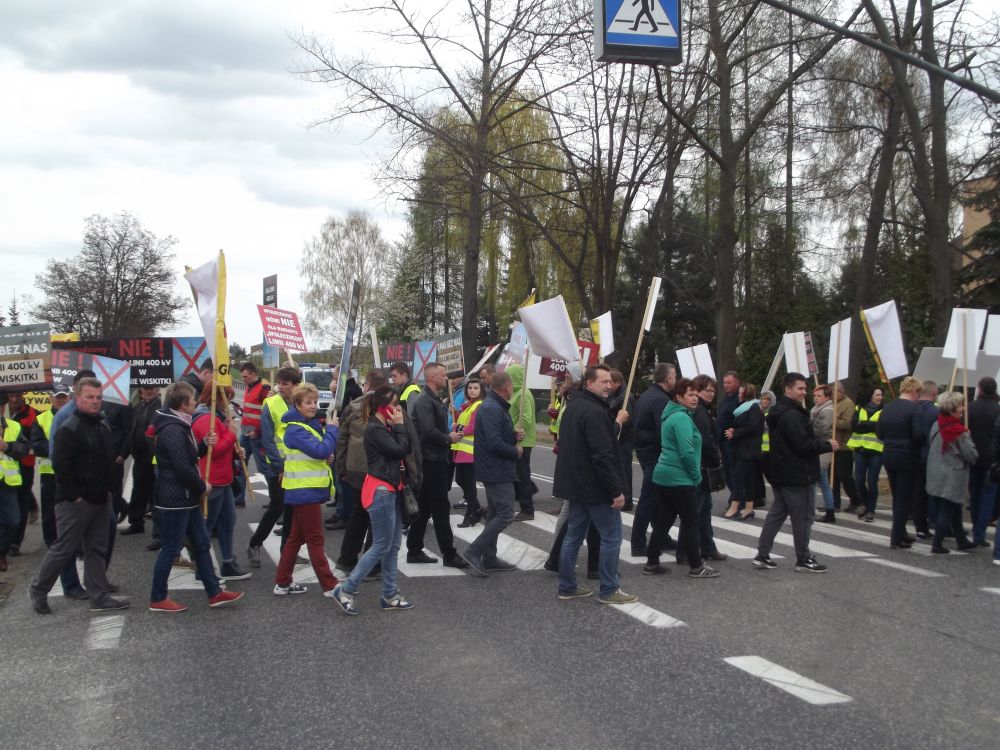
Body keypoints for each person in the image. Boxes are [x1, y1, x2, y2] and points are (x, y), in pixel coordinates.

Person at [29, 378, 129, 613]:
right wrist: (75, 497)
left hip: (100, 499)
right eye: (89, 397)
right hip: (75, 502)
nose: (95, 402)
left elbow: (108, 462)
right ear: (77, 398)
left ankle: (99, 595)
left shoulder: (102, 425)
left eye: (98, 397)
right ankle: (38, 589)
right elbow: (61, 466)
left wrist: (114, 494)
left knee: (96, 549)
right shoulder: (69, 427)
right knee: (64, 548)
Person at [146, 381, 244, 612]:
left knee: (201, 543)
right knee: (171, 548)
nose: (196, 402)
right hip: (176, 498)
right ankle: (158, 597)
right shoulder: (172, 429)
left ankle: (214, 592)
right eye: (192, 400)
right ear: (182, 404)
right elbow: (182, 467)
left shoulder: (179, 424)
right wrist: (202, 486)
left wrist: (202, 445)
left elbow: (187, 455)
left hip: (185, 498)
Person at [554, 364, 637, 604]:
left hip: (576, 485)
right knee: (612, 536)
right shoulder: (595, 412)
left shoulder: (575, 406)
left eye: (611, 382)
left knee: (574, 535)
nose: (609, 386)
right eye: (604, 382)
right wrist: (616, 490)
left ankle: (567, 586)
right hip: (594, 487)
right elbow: (602, 456)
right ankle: (609, 589)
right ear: (590, 383)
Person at [331, 386, 415, 614]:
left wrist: (397, 426)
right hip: (381, 491)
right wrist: (399, 426)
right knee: (381, 545)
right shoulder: (376, 430)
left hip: (392, 489)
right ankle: (346, 589)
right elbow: (401, 450)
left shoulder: (384, 427)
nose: (399, 410)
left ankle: (389, 593)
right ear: (383, 407)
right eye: (395, 406)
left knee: (393, 545)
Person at [753, 372, 838, 573]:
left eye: (804, 388)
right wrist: (826, 445)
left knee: (777, 514)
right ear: (788, 389)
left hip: (782, 472)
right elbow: (802, 445)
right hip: (798, 473)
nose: (804, 392)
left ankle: (762, 554)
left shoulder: (780, 411)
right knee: (803, 518)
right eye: (799, 388)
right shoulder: (792, 415)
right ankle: (803, 558)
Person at [273, 383, 341, 597]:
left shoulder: (305, 425)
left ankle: (282, 583)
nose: (313, 406)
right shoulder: (295, 428)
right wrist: (332, 430)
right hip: (305, 490)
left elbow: (319, 452)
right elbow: (320, 449)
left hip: (304, 489)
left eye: (314, 402)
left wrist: (327, 454)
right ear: (298, 405)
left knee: (295, 539)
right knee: (315, 540)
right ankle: (330, 585)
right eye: (308, 403)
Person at [648, 378, 719, 578]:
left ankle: (652, 562)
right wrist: (696, 475)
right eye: (690, 395)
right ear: (679, 397)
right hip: (679, 477)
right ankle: (696, 566)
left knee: (664, 521)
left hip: (665, 475)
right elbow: (687, 451)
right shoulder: (681, 418)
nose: (695, 398)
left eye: (696, 394)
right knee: (690, 521)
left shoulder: (672, 415)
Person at [406, 362, 468, 568]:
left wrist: (448, 427)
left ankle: (414, 549)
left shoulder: (433, 400)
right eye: (443, 375)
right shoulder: (425, 401)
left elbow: (434, 427)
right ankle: (449, 554)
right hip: (431, 460)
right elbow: (428, 431)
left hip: (435, 458)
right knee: (441, 507)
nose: (446, 379)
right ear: (432, 377)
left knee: (424, 507)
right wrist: (448, 438)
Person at [461, 371, 520, 576]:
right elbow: (494, 443)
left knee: (495, 513)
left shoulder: (494, 406)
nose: (512, 389)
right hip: (496, 469)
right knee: (505, 514)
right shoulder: (492, 408)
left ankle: (489, 556)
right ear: (506, 387)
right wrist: (515, 450)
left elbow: (495, 435)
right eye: (512, 386)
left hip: (494, 467)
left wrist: (512, 435)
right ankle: (474, 551)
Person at [29, 386, 85, 596]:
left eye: (64, 397)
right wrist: (59, 448)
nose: (61, 400)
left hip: (72, 478)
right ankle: (55, 576)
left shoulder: (80, 416)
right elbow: (38, 445)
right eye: (57, 397)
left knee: (76, 528)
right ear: (51, 398)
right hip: (51, 477)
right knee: (55, 526)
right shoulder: (42, 419)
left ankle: (95, 582)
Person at [192, 382, 251, 580]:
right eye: (227, 396)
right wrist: (231, 434)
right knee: (207, 525)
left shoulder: (218, 417)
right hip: (212, 479)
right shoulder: (206, 419)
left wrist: (237, 451)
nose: (229, 401)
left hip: (223, 478)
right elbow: (214, 450)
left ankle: (227, 563)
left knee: (228, 520)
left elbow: (225, 447)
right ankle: (202, 567)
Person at [247, 366, 302, 567]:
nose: (280, 387)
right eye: (279, 383)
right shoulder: (270, 404)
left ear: (296, 385)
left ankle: (286, 552)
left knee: (292, 509)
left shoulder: (300, 403)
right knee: (278, 506)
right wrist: (280, 467)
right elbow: (268, 440)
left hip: (297, 466)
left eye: (285, 384)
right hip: (277, 466)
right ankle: (254, 544)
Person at [630, 363, 676, 556]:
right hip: (655, 454)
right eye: (674, 376)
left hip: (644, 451)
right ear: (667, 379)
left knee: (658, 499)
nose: (676, 379)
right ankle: (638, 543)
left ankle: (662, 537)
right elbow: (663, 430)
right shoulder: (660, 400)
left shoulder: (648, 395)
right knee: (649, 500)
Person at [926, 391, 978, 554]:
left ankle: (961, 540)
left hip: (936, 471)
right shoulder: (959, 431)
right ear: (953, 409)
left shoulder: (937, 424)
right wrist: (970, 441)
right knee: (947, 510)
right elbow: (971, 455)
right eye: (961, 405)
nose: (963, 408)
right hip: (952, 475)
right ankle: (937, 544)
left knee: (955, 508)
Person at [877, 376, 924, 549]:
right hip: (907, 456)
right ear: (914, 391)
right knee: (904, 498)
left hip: (888, 454)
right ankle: (896, 537)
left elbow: (879, 432)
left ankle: (902, 531)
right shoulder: (914, 410)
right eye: (918, 393)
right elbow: (919, 435)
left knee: (897, 495)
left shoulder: (888, 408)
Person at [691, 375, 726, 561]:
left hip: (700, 466)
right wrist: (716, 461)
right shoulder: (701, 412)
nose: (711, 394)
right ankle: (693, 550)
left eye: (713, 391)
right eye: (707, 390)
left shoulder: (701, 410)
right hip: (702, 467)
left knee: (703, 510)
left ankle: (706, 547)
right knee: (698, 511)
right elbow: (706, 441)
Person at [120, 385, 161, 536]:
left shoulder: (160, 407)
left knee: (157, 494)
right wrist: (125, 453)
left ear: (157, 389)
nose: (148, 391)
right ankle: (136, 522)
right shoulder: (138, 407)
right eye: (145, 388)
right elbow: (131, 430)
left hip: (153, 458)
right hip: (140, 456)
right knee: (138, 491)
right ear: (140, 391)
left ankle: (159, 532)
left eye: (151, 388)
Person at [723, 382, 764, 520]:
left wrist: (735, 432)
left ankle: (734, 508)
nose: (739, 395)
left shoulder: (753, 408)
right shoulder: (748, 407)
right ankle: (748, 508)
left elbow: (753, 427)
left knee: (738, 478)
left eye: (741, 393)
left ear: (747, 394)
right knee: (748, 480)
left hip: (748, 450)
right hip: (746, 449)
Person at [967, 376, 999, 547]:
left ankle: (975, 528)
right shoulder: (997, 410)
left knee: (974, 494)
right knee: (988, 496)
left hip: (972, 456)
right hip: (992, 461)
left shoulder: (970, 408)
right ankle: (979, 533)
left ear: (979, 388)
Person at [7, 392, 39, 557]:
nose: (14, 399)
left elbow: (35, 437)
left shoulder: (32, 414)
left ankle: (15, 543)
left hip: (24, 464)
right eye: (11, 396)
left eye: (17, 396)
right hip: (5, 466)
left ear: (23, 396)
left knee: (21, 502)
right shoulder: (4, 412)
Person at [0, 399, 30, 573]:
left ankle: (2, 551)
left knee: (13, 521)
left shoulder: (13, 426)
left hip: (7, 483)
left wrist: (8, 446)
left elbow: (24, 449)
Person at [507, 364, 537, 521]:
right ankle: (530, 492)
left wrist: (516, 434)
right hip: (518, 439)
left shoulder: (523, 393)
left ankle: (527, 509)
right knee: (518, 473)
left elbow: (524, 418)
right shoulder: (518, 392)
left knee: (522, 474)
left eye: (509, 377)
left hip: (522, 441)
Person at [452, 379, 485, 527]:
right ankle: (476, 509)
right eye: (470, 388)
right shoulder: (468, 406)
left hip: (470, 451)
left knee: (468, 484)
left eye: (475, 388)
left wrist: (457, 427)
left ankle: (471, 514)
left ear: (481, 390)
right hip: (463, 450)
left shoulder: (478, 406)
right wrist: (456, 413)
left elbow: (472, 428)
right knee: (461, 480)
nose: (472, 390)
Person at [848, 387, 884, 522]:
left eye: (881, 395)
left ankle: (871, 510)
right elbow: (854, 426)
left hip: (876, 450)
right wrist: (872, 425)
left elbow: (881, 427)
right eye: (877, 395)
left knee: (872, 481)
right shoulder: (859, 408)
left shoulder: (884, 410)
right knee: (858, 480)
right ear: (871, 396)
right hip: (860, 449)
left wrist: (864, 424)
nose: (880, 397)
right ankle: (865, 503)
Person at [237, 360, 271, 478]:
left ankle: (276, 494)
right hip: (246, 432)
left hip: (257, 434)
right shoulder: (249, 387)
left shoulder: (263, 388)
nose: (243, 379)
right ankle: (239, 496)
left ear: (253, 374)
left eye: (245, 376)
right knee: (240, 464)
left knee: (263, 466)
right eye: (242, 377)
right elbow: (252, 410)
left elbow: (268, 413)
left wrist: (258, 431)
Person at [608, 369, 636, 510]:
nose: (608, 385)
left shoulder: (626, 397)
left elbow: (628, 420)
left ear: (618, 383)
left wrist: (617, 429)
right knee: (618, 469)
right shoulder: (614, 395)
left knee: (624, 470)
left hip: (623, 440)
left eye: (610, 382)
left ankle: (627, 500)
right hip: (618, 438)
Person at [832, 383, 861, 512]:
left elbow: (848, 424)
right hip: (834, 445)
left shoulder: (848, 404)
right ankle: (834, 502)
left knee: (845, 476)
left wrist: (834, 420)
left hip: (844, 445)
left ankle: (855, 499)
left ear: (840, 392)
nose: (832, 396)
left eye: (834, 393)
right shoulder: (835, 403)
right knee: (833, 476)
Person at [811, 385, 836, 524]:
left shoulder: (827, 410)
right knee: (823, 482)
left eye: (819, 396)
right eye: (815, 396)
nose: (816, 398)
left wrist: (808, 425)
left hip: (823, 448)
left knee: (814, 480)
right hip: (818, 448)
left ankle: (811, 510)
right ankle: (830, 510)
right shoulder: (816, 409)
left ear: (827, 397)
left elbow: (820, 429)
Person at [716, 371, 742, 506]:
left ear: (737, 383)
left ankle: (737, 500)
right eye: (725, 382)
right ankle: (735, 497)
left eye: (729, 382)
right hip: (723, 441)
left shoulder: (739, 399)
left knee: (733, 472)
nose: (726, 385)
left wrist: (735, 431)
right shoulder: (726, 398)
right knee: (727, 471)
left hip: (732, 441)